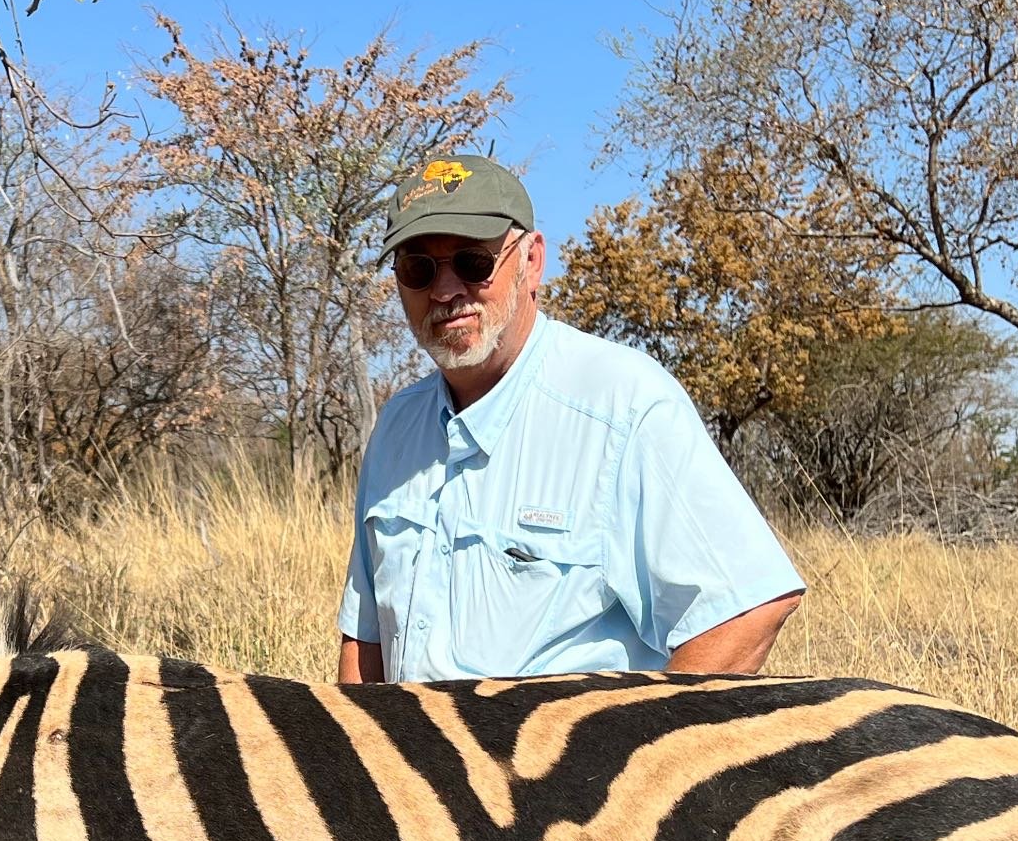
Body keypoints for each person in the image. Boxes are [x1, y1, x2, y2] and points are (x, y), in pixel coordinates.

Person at [336, 154, 804, 685]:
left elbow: (747, 607)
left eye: (473, 262)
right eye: (417, 268)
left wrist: (637, 759)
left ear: (532, 260)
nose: (444, 292)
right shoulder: (396, 429)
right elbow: (364, 640)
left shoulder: (625, 404)